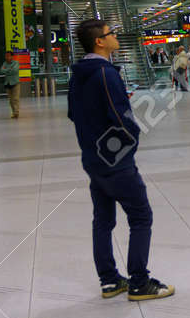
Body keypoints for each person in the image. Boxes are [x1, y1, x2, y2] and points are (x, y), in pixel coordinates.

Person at [67, 20, 173, 301]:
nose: (115, 36)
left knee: (103, 220)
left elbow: (73, 115)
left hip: (92, 158)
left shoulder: (77, 74)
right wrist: (131, 142)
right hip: (116, 162)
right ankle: (139, 282)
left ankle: (110, 280)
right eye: (110, 33)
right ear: (99, 42)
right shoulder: (105, 73)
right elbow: (122, 118)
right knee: (141, 217)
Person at [0, 51, 21, 118]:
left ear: (12, 56)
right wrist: (9, 70)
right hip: (8, 83)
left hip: (15, 83)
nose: (7, 57)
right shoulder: (4, 63)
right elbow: (1, 70)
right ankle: (13, 112)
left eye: (8, 56)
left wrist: (6, 70)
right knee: (11, 100)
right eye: (6, 56)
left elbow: (15, 70)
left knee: (16, 99)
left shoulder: (16, 63)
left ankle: (16, 112)